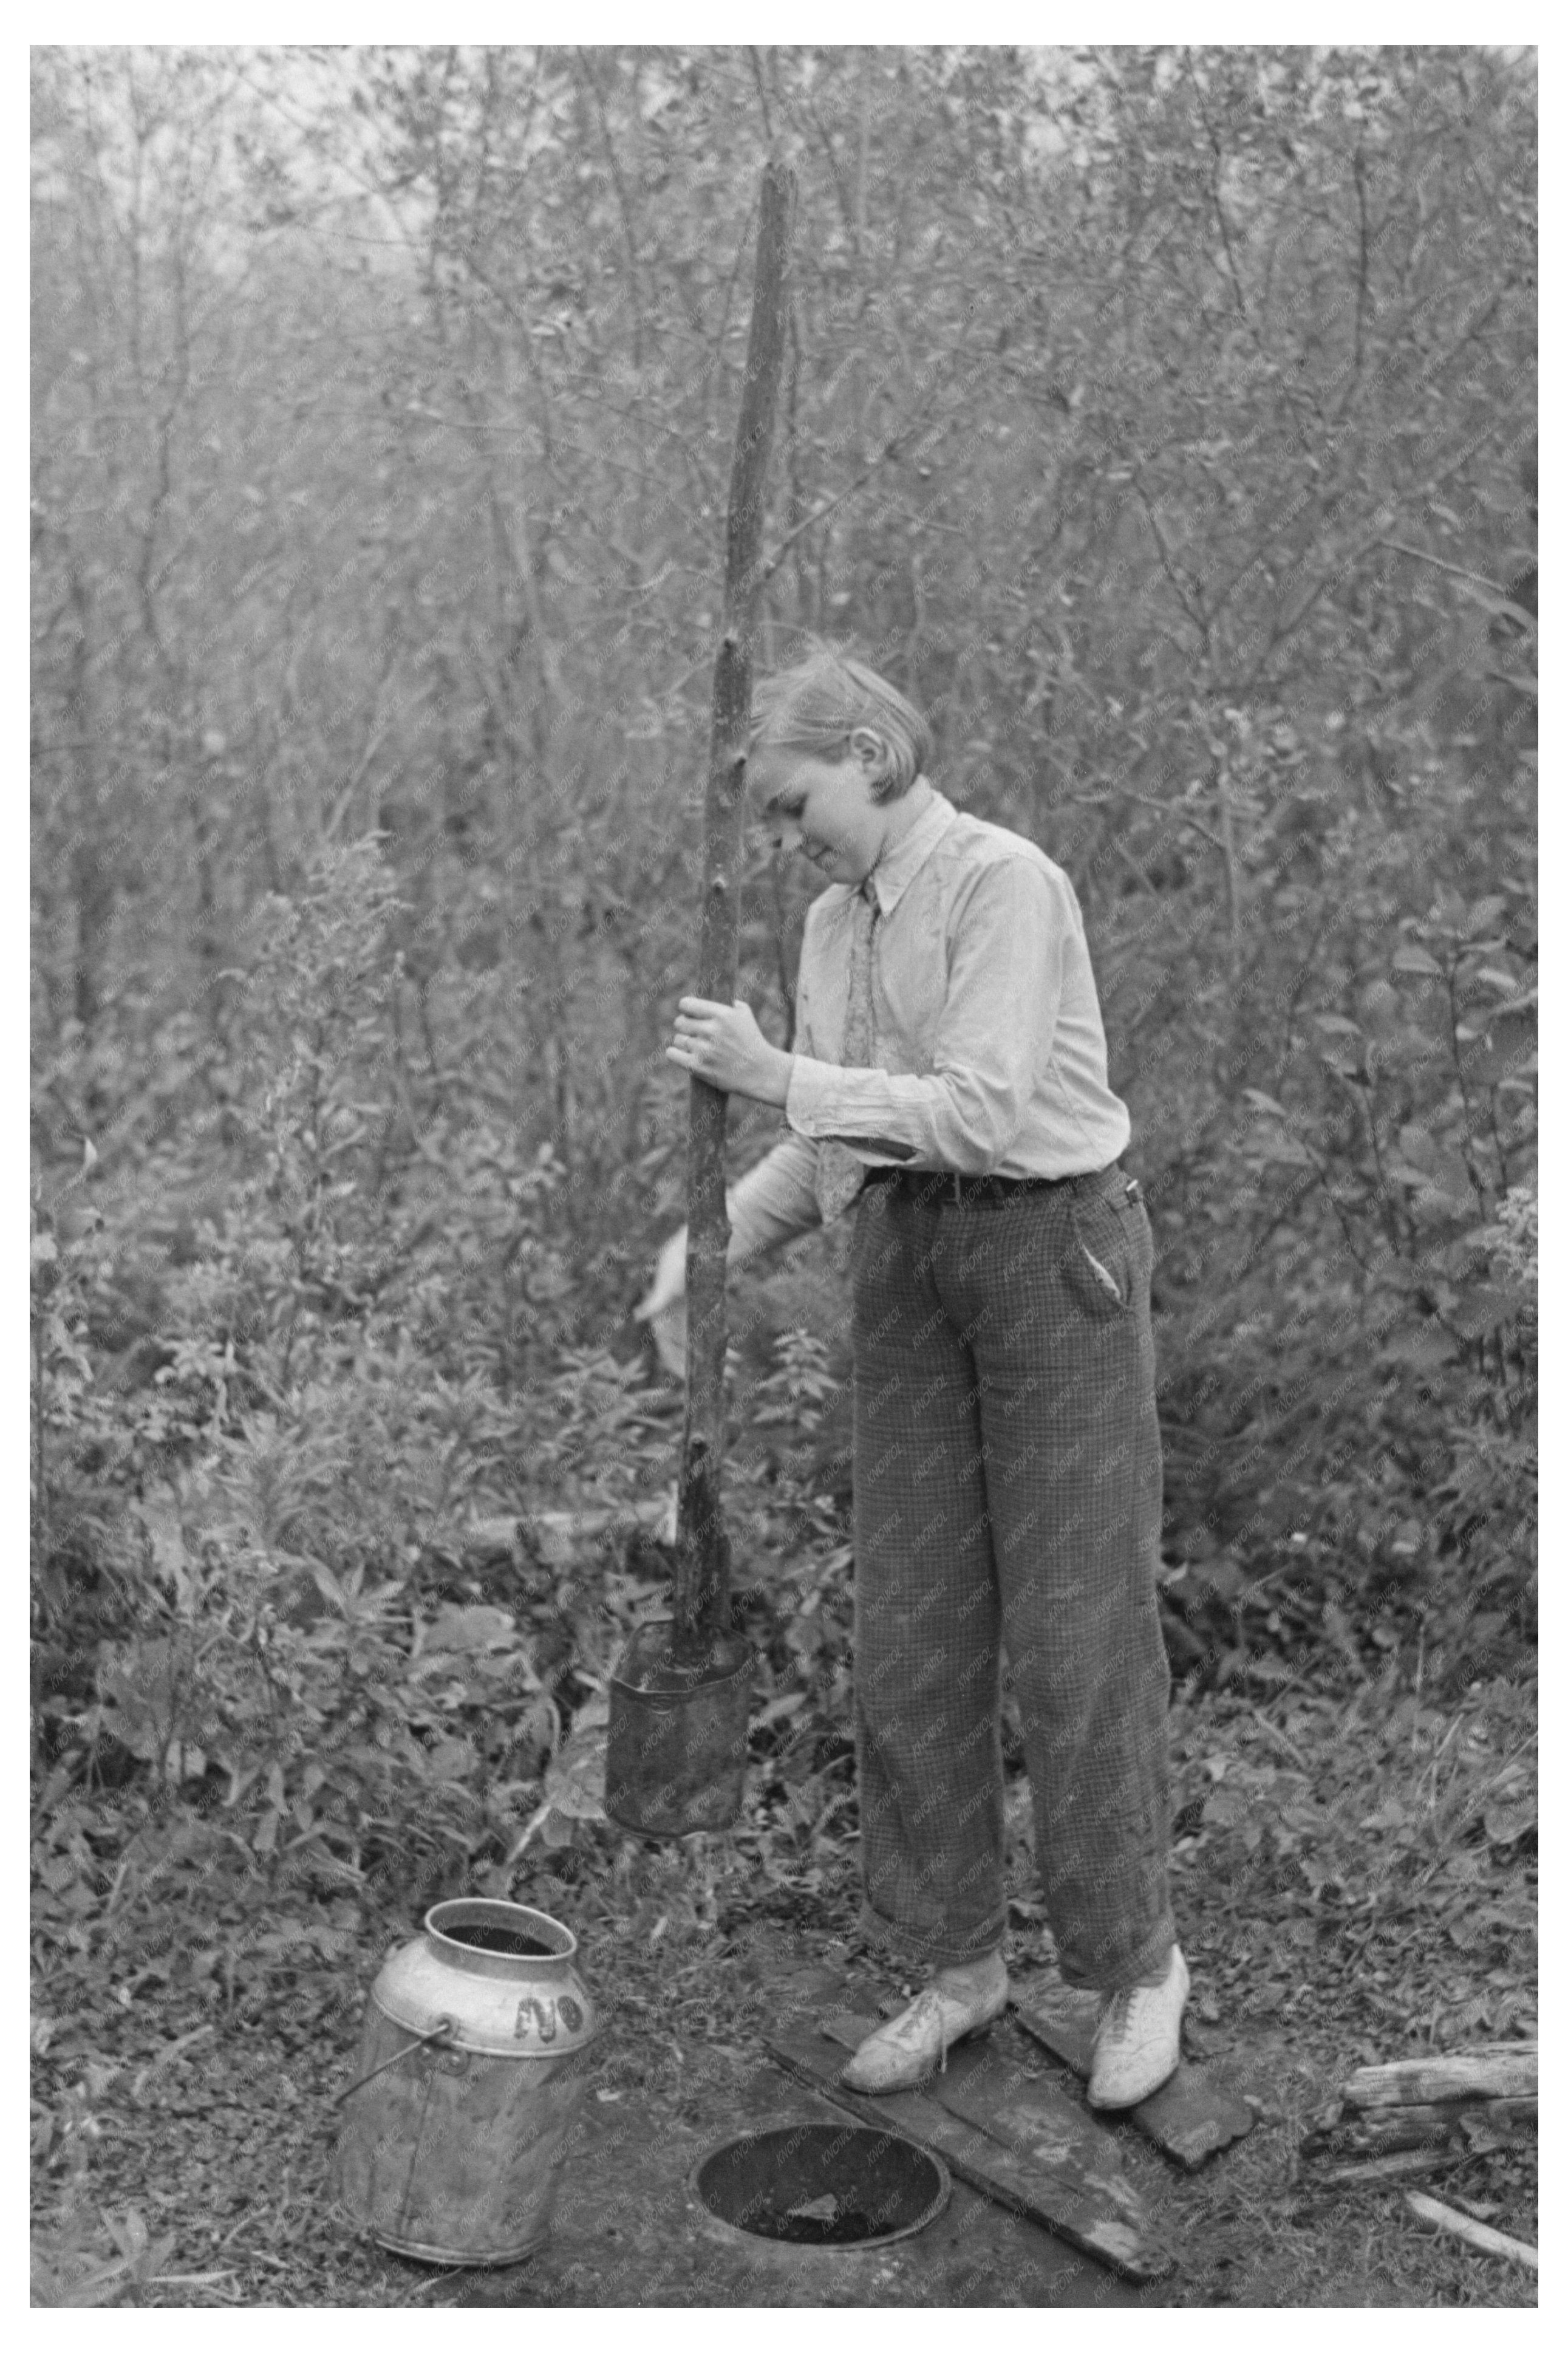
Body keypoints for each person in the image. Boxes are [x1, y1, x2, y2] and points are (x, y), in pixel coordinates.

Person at [635, 647, 1185, 2107]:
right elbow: (836, 1142)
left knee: (1075, 1635)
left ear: (870, 754)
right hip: (904, 1264)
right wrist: (710, 1243)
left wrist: (771, 1072)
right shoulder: (832, 924)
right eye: (768, 817)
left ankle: (1134, 1964)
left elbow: (979, 1109)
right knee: (914, 1633)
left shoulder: (1005, 882)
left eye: (792, 802)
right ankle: (958, 1962)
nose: (785, 838)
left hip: (1053, 1253)